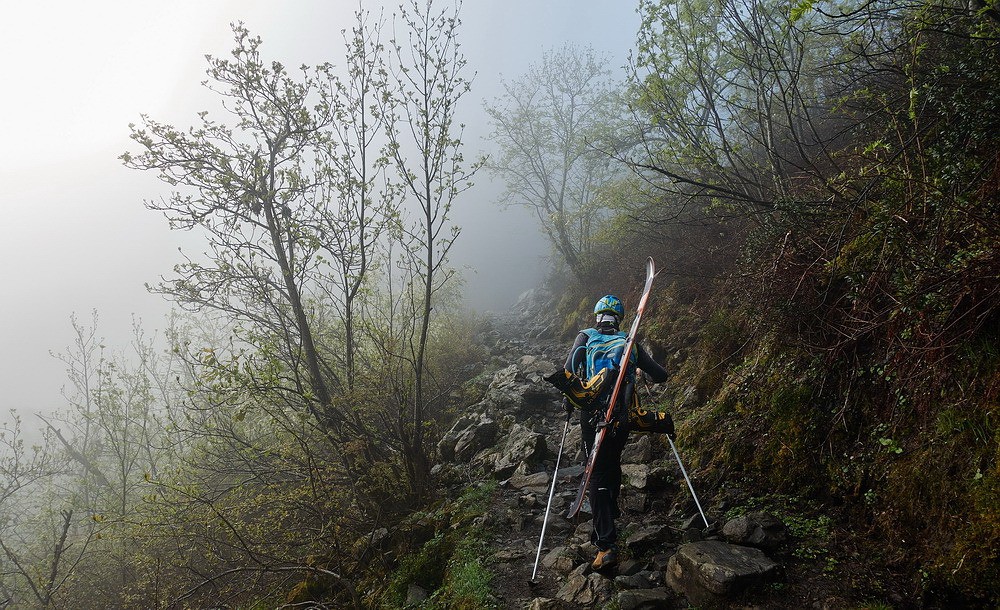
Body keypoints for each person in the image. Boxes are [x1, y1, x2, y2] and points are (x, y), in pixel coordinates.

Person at [562, 294, 671, 571]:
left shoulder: (585, 337)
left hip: (592, 414)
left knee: (595, 471)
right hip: (621, 415)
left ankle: (606, 544)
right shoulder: (629, 342)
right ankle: (607, 517)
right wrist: (639, 367)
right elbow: (661, 375)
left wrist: (569, 401)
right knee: (610, 464)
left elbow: (568, 371)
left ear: (597, 316)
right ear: (619, 318)